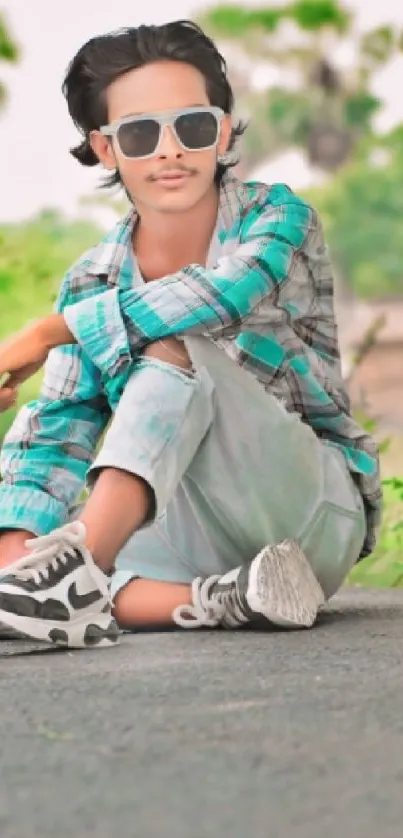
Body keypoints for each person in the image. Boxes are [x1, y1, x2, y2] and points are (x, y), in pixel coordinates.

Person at [0, 20, 381, 649]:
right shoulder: (90, 277)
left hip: (309, 509)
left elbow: (223, 294)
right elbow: (58, 431)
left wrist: (51, 331)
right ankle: (221, 600)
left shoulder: (277, 217)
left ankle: (74, 578)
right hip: (194, 533)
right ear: (105, 149)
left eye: (194, 126)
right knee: (51, 524)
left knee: (176, 349)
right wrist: (15, 560)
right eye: (142, 134)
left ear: (223, 131)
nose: (171, 150)